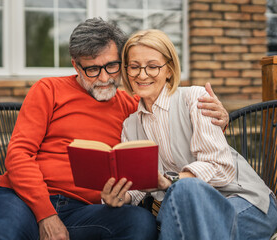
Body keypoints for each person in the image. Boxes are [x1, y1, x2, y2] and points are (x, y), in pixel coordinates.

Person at [0, 18, 229, 240]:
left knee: (141, 224)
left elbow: (172, 125)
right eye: (92, 69)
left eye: (112, 66)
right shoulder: (48, 89)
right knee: (0, 235)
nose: (105, 78)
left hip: (87, 210)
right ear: (76, 66)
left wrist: (216, 120)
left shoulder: (133, 106)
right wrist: (46, 216)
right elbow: (18, 155)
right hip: (21, 200)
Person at [101, 28, 277, 239]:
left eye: (153, 67)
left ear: (169, 70)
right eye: (134, 67)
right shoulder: (130, 126)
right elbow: (139, 186)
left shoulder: (195, 98)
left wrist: (171, 180)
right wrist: (121, 196)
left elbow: (220, 166)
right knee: (182, 204)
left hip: (243, 201)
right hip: (184, 210)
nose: (142, 74)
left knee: (185, 189)